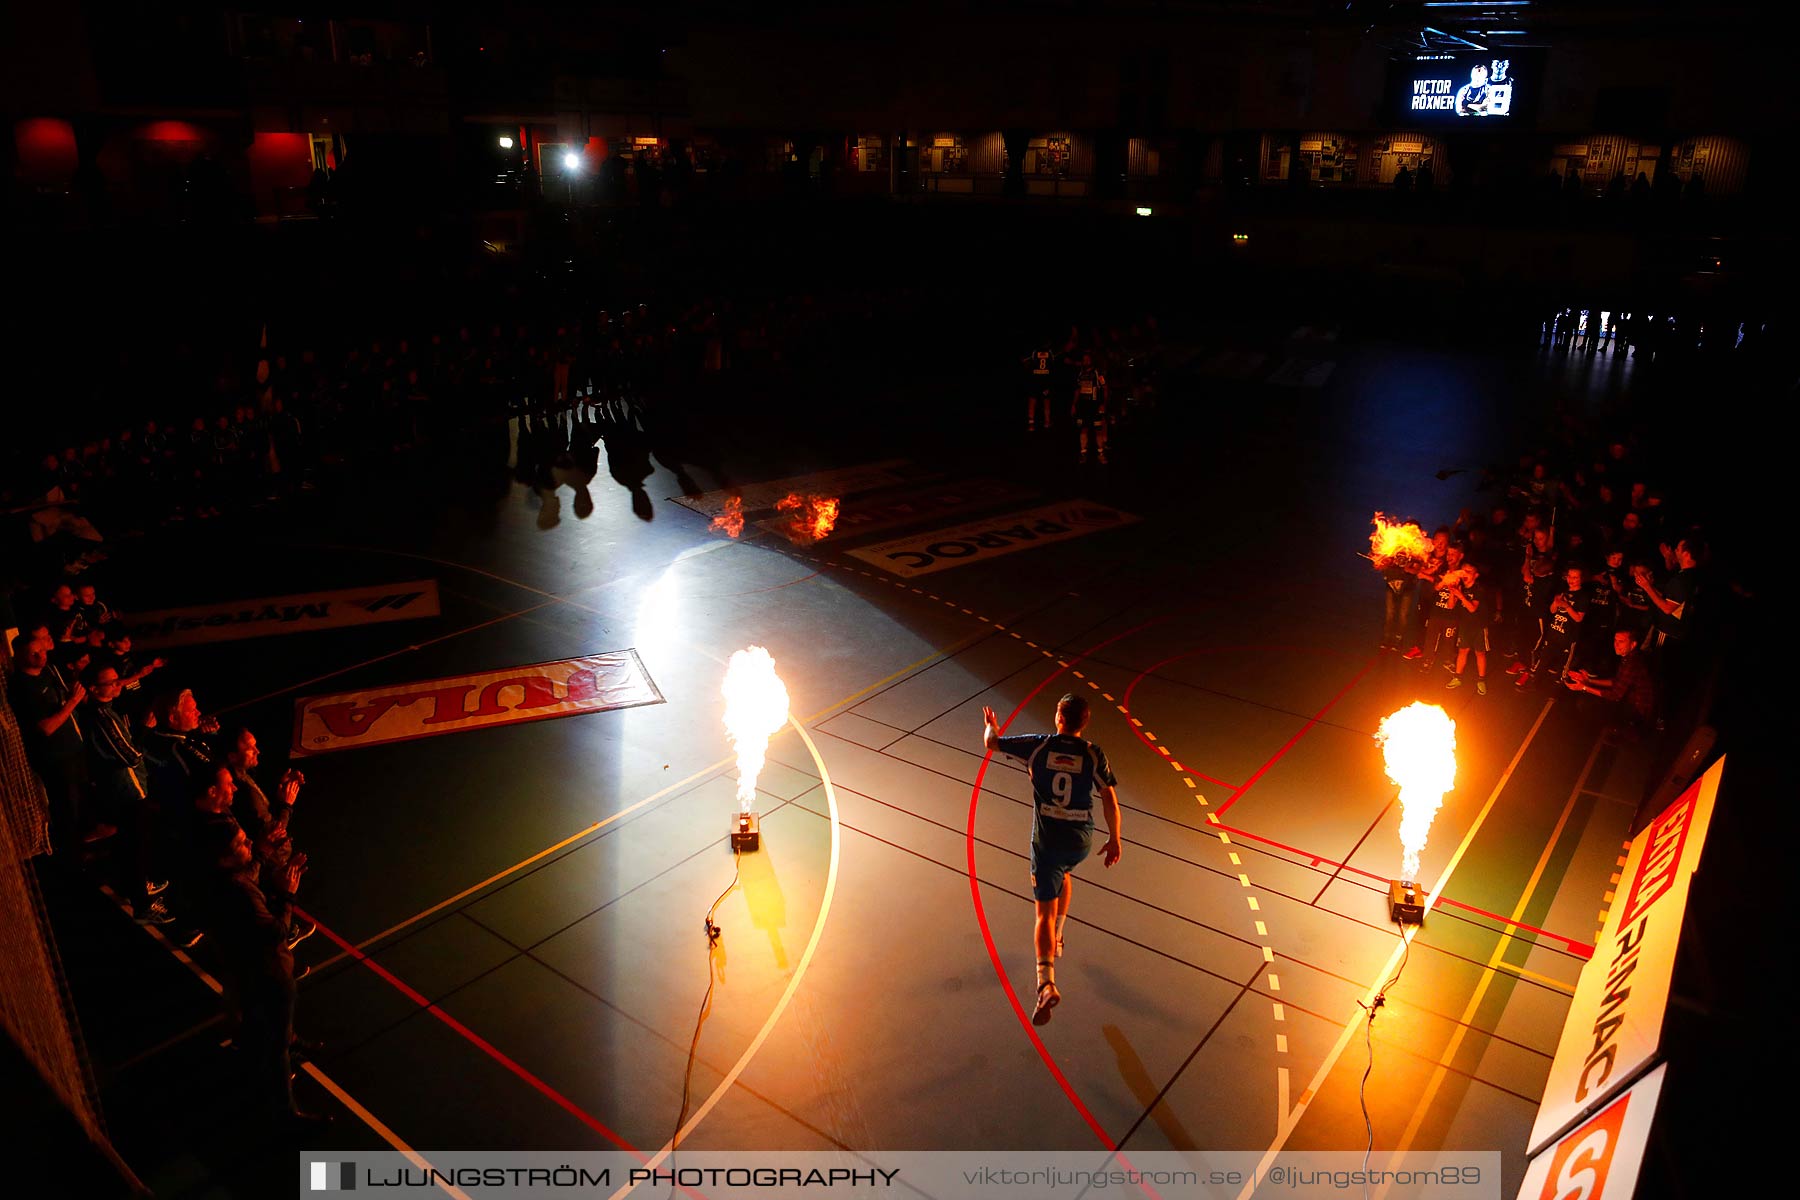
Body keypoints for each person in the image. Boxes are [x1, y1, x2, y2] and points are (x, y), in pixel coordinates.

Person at [981, 694, 1123, 1026]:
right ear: (1084, 722)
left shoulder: (1037, 747)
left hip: (1047, 843)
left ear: (1058, 716)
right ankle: (1059, 934)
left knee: (1042, 911)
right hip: (1080, 841)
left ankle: (1045, 982)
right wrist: (1115, 839)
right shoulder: (1093, 753)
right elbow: (1110, 800)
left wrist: (991, 726)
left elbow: (992, 744)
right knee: (1066, 872)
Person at [191, 818, 325, 1127]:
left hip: (244, 969)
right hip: (269, 973)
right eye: (242, 843)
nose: (249, 842)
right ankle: (285, 1111)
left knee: (257, 1019)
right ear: (224, 856)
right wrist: (287, 894)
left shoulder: (220, 879)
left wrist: (263, 852)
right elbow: (277, 930)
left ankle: (273, 1047)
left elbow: (248, 872)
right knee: (276, 1044)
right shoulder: (241, 893)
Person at [1565, 628, 1656, 735]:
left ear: (1633, 644)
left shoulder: (1633, 663)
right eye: (1615, 640)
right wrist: (1589, 680)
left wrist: (1584, 687)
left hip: (1636, 710)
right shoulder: (1628, 657)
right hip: (1629, 701)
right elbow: (1616, 681)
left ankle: (1617, 731)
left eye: (1621, 642)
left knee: (1586, 703)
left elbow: (1615, 695)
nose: (1616, 645)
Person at [1519, 563, 1587, 690]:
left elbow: (1578, 618)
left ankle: (1560, 691)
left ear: (1581, 579)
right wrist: (1556, 603)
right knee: (1544, 658)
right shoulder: (1563, 591)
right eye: (1570, 576)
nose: (1571, 580)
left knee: (1565, 665)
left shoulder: (1583, 596)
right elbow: (1552, 611)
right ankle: (1533, 684)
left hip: (1568, 636)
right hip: (1554, 632)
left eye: (1575, 577)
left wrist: (1567, 606)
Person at [1444, 560, 1490, 693]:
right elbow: (1450, 606)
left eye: (1469, 572)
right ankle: (1457, 677)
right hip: (1465, 625)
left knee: (1480, 653)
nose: (1465, 574)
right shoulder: (1460, 587)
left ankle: (1481, 680)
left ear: (1476, 575)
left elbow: (1472, 608)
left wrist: (1460, 595)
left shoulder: (1479, 589)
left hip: (1479, 626)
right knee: (1462, 651)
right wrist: (1453, 592)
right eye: (1463, 571)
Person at [1071, 353, 1109, 464]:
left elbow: (1105, 388)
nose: (1085, 361)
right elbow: (1077, 390)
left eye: (1088, 359)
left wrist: (1104, 404)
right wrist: (1073, 404)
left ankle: (1101, 453)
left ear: (1091, 361)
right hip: (1083, 407)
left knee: (1098, 430)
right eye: (1084, 359)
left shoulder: (1098, 373)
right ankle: (1083, 453)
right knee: (1083, 429)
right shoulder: (1080, 373)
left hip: (1095, 407)